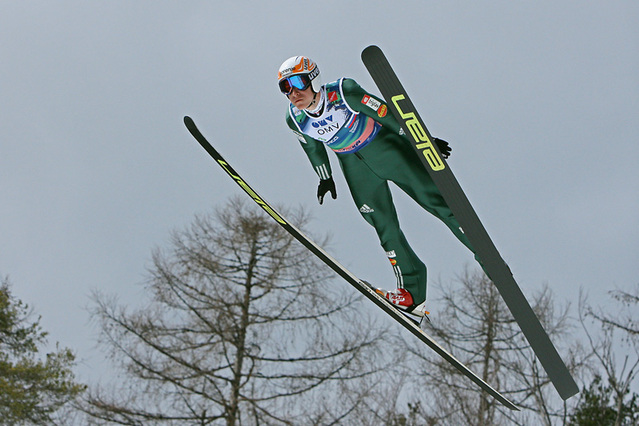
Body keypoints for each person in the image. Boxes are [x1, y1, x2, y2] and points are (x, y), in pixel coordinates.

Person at [278, 55, 476, 317]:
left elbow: (387, 113)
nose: (293, 92)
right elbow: (312, 149)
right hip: (354, 166)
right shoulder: (295, 119)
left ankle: (481, 251)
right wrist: (325, 177)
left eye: (297, 82)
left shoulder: (343, 91)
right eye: (285, 87)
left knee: (434, 200)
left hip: (385, 148)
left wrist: (423, 140)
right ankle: (412, 293)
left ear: (313, 79)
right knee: (382, 224)